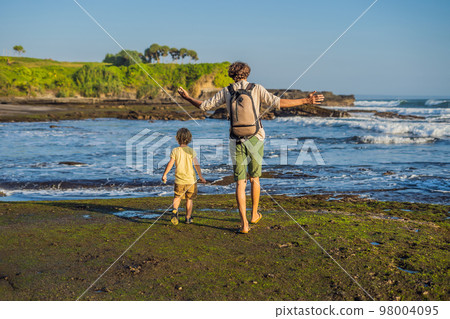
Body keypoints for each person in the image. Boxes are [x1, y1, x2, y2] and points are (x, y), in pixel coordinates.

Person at [177, 62, 324, 233]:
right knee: (255, 179)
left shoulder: (227, 91)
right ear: (247, 73)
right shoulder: (257, 88)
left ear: (231, 75)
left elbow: (204, 106)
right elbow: (278, 103)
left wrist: (187, 98)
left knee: (240, 183)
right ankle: (254, 214)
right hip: (256, 138)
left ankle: (244, 224)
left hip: (236, 139)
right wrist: (307, 100)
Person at [162, 128, 206, 225]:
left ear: (177, 138)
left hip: (179, 180)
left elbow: (170, 164)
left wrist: (165, 174)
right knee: (189, 199)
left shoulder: (175, 150)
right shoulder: (191, 151)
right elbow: (196, 165)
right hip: (191, 180)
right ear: (189, 139)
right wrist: (201, 177)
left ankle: (174, 210)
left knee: (177, 196)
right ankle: (188, 218)